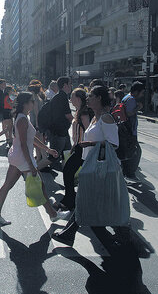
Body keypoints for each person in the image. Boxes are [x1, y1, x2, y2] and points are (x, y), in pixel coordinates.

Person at [52, 86, 122, 246]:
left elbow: (114, 144)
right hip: (93, 165)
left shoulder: (106, 118)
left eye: (90, 96)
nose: (87, 98)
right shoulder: (96, 118)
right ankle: (122, 234)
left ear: (99, 98)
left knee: (86, 200)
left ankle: (69, 233)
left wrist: (89, 143)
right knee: (96, 200)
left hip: (102, 167)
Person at [0, 92, 61, 225]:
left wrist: (47, 149)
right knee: (39, 186)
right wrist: (31, 164)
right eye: (32, 101)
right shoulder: (22, 119)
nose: (34, 103)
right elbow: (24, 143)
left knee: (8, 186)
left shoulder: (22, 117)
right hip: (23, 158)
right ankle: (53, 214)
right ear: (25, 103)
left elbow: (31, 138)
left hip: (17, 157)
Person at [54, 88, 92, 213]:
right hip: (78, 147)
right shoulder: (79, 111)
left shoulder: (84, 113)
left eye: (73, 97)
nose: (70, 99)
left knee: (68, 172)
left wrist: (80, 145)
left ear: (79, 99)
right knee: (69, 172)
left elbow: (88, 132)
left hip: (83, 149)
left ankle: (70, 201)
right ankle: (71, 199)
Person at [121, 81, 145, 182]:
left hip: (127, 130)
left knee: (129, 152)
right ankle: (130, 174)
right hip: (129, 131)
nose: (142, 95)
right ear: (136, 92)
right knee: (135, 152)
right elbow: (129, 113)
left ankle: (127, 173)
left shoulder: (126, 97)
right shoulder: (131, 100)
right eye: (142, 92)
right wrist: (138, 108)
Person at [47, 77, 73, 163]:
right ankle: (34, 170)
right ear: (65, 85)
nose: (71, 86)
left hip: (61, 131)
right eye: (70, 84)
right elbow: (68, 115)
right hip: (59, 132)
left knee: (68, 154)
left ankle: (69, 173)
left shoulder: (59, 96)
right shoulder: (62, 97)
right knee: (53, 157)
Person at [28, 80, 47, 165]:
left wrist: (37, 125)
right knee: (38, 142)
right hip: (37, 122)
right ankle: (39, 158)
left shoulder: (35, 99)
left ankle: (43, 158)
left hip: (35, 123)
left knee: (38, 142)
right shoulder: (38, 98)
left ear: (32, 91)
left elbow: (36, 113)